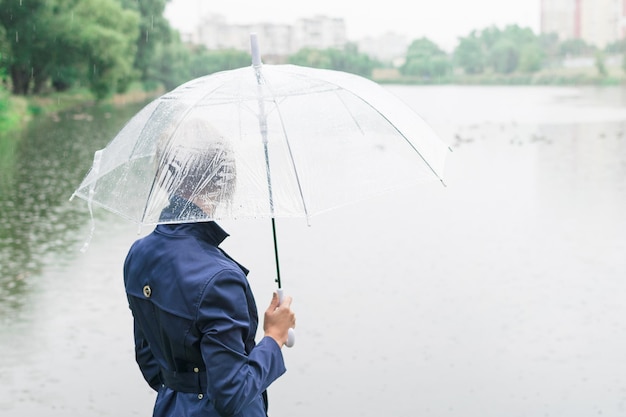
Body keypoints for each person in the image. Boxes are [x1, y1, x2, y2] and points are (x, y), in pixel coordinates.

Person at [123, 117, 296, 417]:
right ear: (221, 178)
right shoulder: (220, 280)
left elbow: (150, 362)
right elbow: (231, 395)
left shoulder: (139, 254)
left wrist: (184, 390)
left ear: (165, 177)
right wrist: (274, 338)